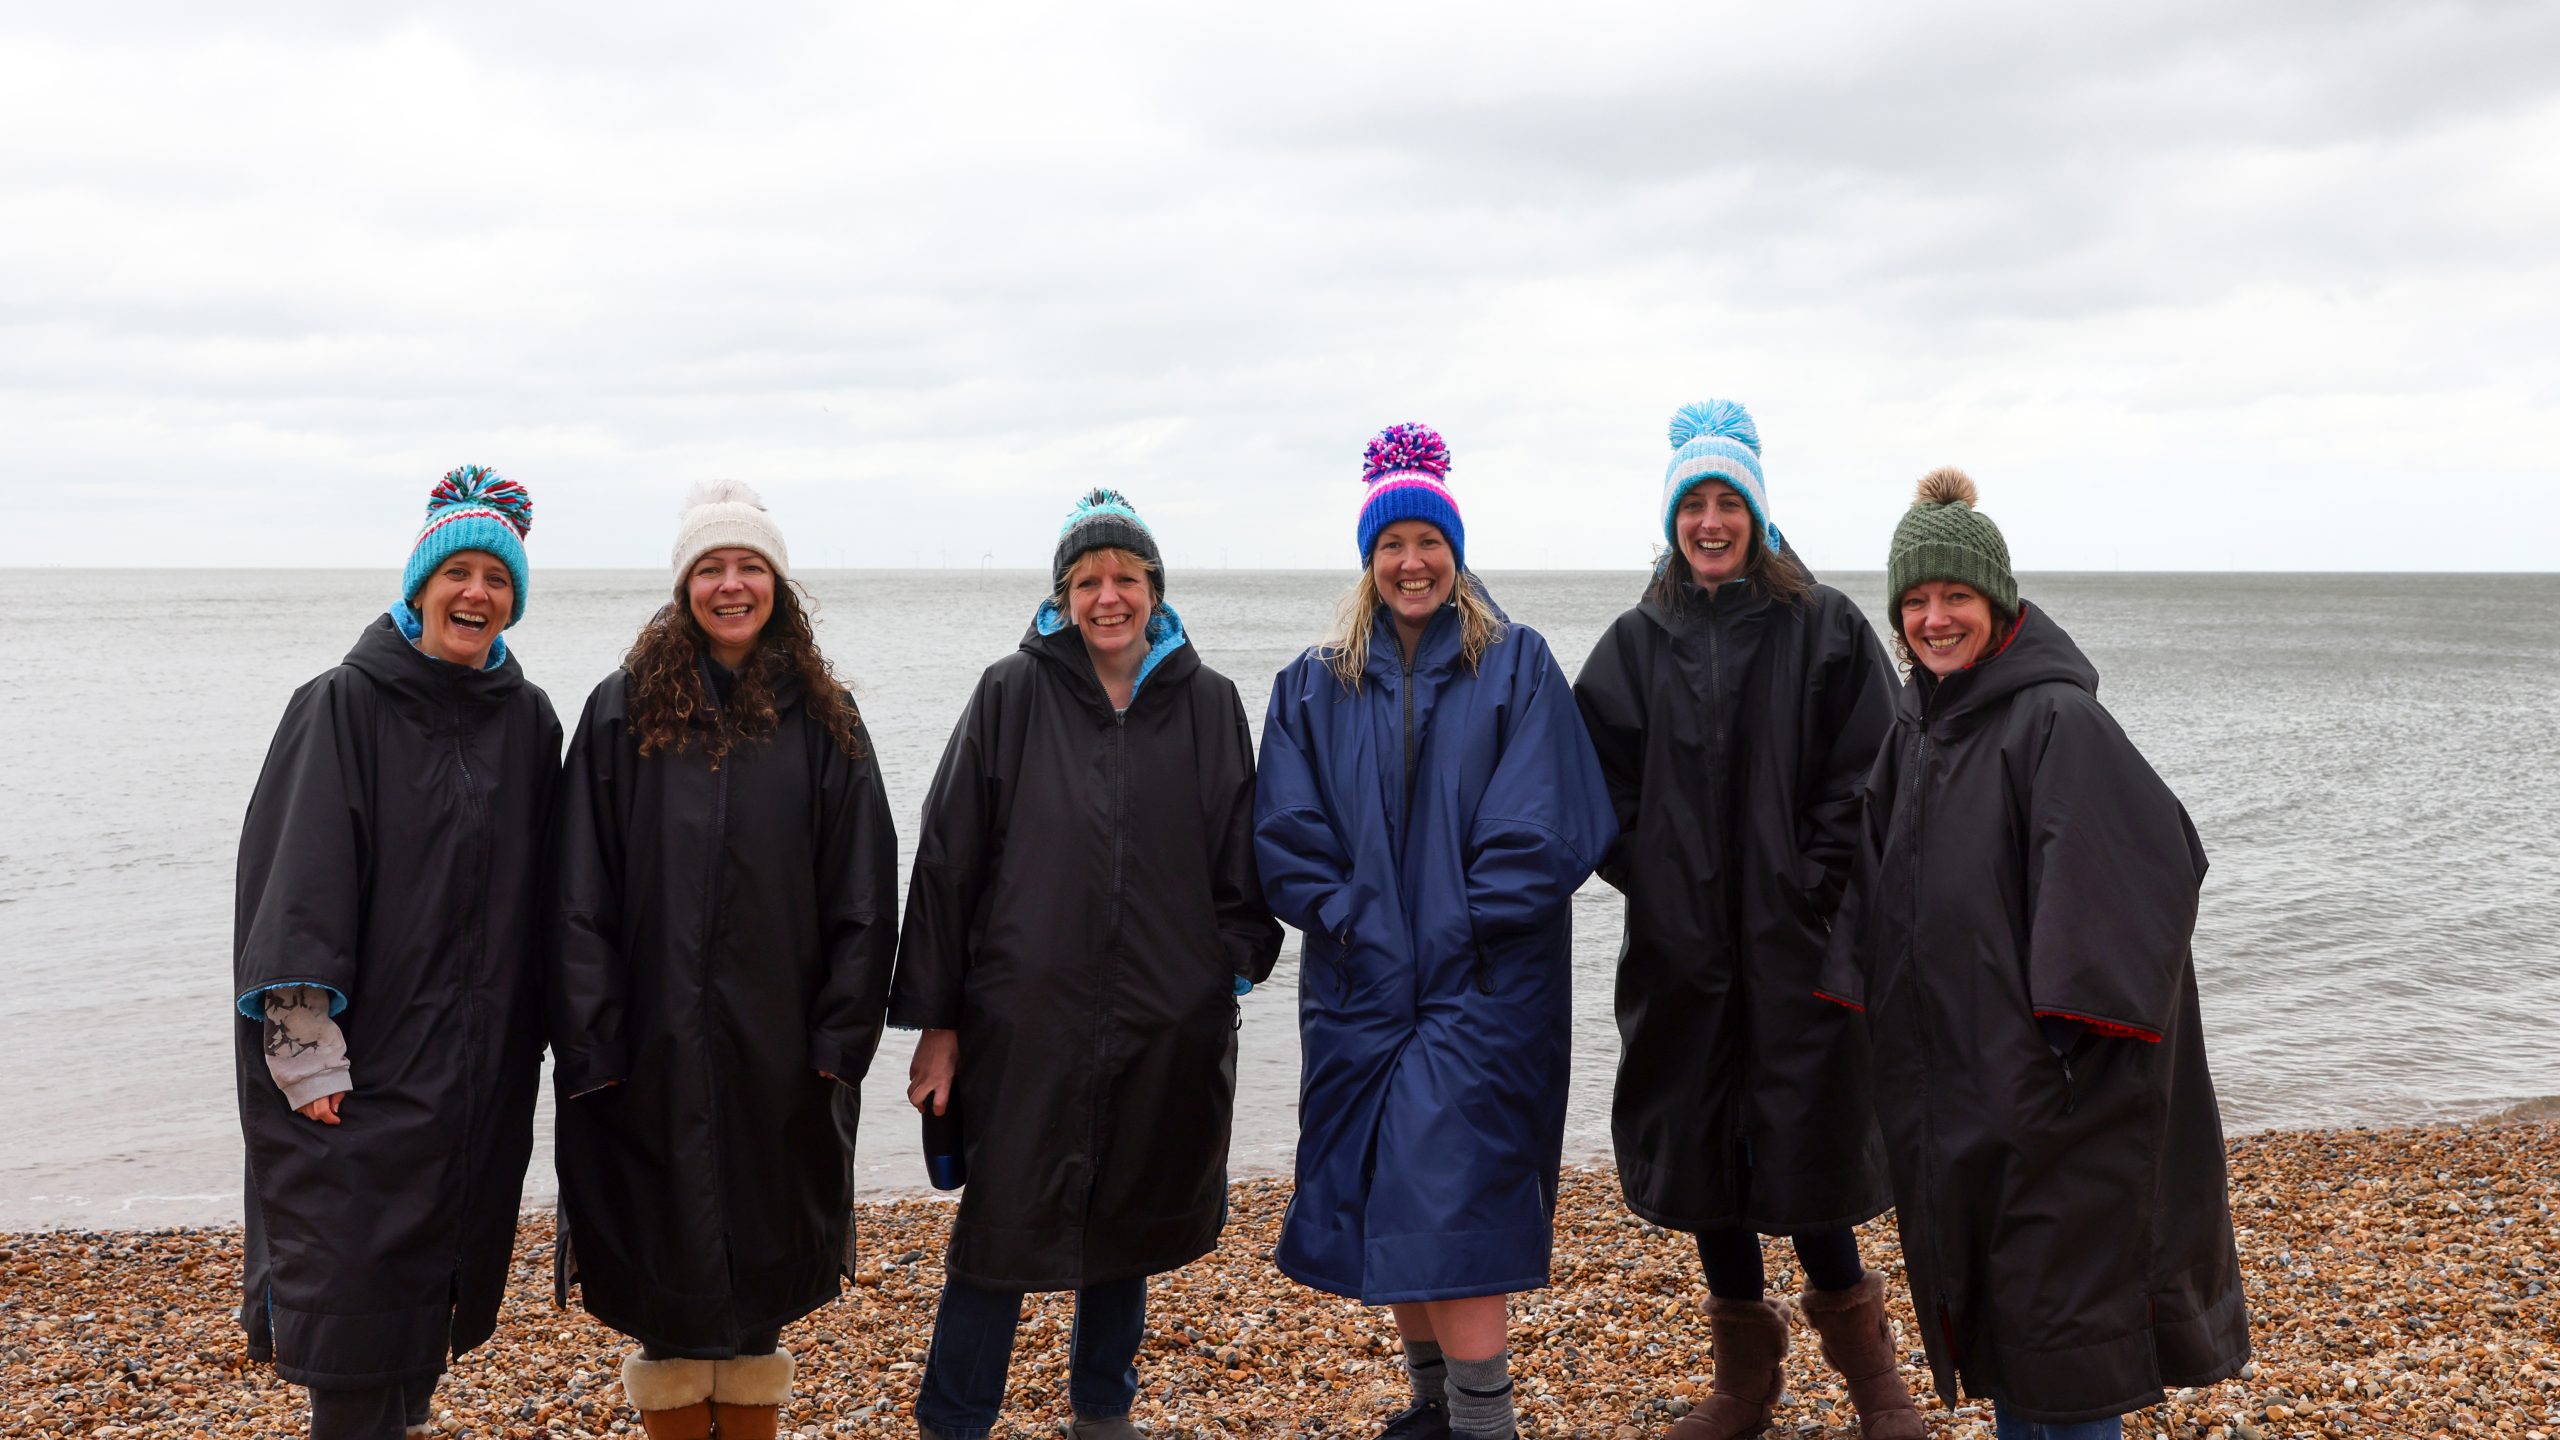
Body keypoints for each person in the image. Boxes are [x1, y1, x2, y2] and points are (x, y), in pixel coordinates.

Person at [1818, 468, 2250, 1439]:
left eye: (1954, 597)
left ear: (1997, 602)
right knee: (2010, 1335)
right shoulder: (1914, 731)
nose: (1934, 620)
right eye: (1916, 602)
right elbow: (1875, 890)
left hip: (2060, 1105)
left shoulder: (2057, 720)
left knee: (2070, 1347)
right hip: (1963, 1102)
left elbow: (2148, 870)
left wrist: (2057, 1057)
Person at [892, 488, 1283, 1440]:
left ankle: (1103, 1410)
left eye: (1127, 578)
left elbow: (1246, 860)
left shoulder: (1209, 702)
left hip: (1162, 1020)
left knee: (1128, 1219)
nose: (1109, 597)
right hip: (1023, 1023)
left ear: (1156, 590)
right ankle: (953, 1422)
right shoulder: (1009, 694)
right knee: (998, 1231)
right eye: (1088, 581)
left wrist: (1220, 977)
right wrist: (939, 1027)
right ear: (1061, 595)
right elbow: (948, 862)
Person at [1254, 425, 1618, 1440]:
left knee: (1454, 1201)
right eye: (1389, 545)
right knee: (1383, 1191)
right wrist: (1351, 919)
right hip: (1357, 987)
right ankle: (1428, 1411)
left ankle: (1483, 1422)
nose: (1410, 562)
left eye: (1427, 540)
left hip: (1484, 990)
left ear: (1454, 550)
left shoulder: (1518, 669)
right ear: (1368, 562)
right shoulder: (1313, 682)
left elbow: (1546, 824)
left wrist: (1449, 929)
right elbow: (1286, 832)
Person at [1572, 401, 1918, 1440]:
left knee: (1811, 1159)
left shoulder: (1825, 629)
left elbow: (1870, 769)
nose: (1711, 522)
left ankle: (1874, 1385)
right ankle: (1741, 1386)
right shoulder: (1634, 644)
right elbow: (1593, 790)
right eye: (1694, 505)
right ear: (1672, 519)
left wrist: (1809, 886)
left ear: (1758, 517)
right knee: (1709, 1163)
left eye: (1729, 503)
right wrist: (1660, 881)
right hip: (1682, 958)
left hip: (1801, 948)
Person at [550, 480, 899, 1440]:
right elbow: (579, 893)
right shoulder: (622, 713)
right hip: (644, 1052)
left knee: (758, 1286)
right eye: (712, 568)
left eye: (750, 567)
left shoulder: (826, 722)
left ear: (779, 586)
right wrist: (589, 1044)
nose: (732, 585)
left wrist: (840, 1039)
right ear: (684, 587)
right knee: (660, 1285)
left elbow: (865, 895)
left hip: (779, 1053)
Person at [233, 466, 558, 1440]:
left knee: (425, 1323)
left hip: (475, 1082)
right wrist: (302, 1050)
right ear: (417, 589)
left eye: (496, 579)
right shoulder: (342, 706)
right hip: (358, 1079)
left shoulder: (527, 719)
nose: (475, 594)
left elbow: (555, 895)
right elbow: (297, 887)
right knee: (350, 1332)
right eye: (456, 572)